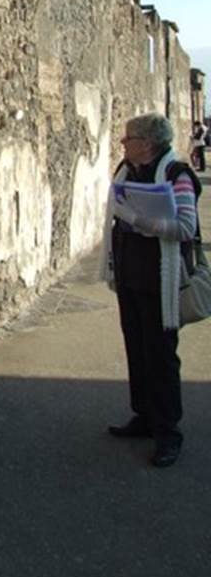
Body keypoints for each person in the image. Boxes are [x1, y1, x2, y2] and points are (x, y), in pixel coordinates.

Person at [102, 113, 199, 468]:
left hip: (160, 281)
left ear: (147, 143)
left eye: (128, 138)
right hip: (130, 278)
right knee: (137, 349)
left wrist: (143, 222)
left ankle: (168, 432)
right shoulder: (127, 171)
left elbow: (185, 227)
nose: (122, 143)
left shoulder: (177, 175)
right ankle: (144, 416)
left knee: (160, 356)